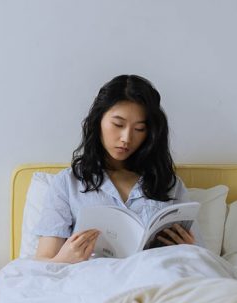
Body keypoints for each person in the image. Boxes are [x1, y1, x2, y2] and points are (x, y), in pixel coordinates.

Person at [34, 74, 201, 264]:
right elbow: (43, 263)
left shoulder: (168, 184)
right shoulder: (67, 183)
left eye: (139, 129)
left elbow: (202, 259)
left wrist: (190, 250)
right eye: (118, 124)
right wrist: (66, 258)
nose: (126, 138)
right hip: (90, 283)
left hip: (156, 282)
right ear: (98, 121)